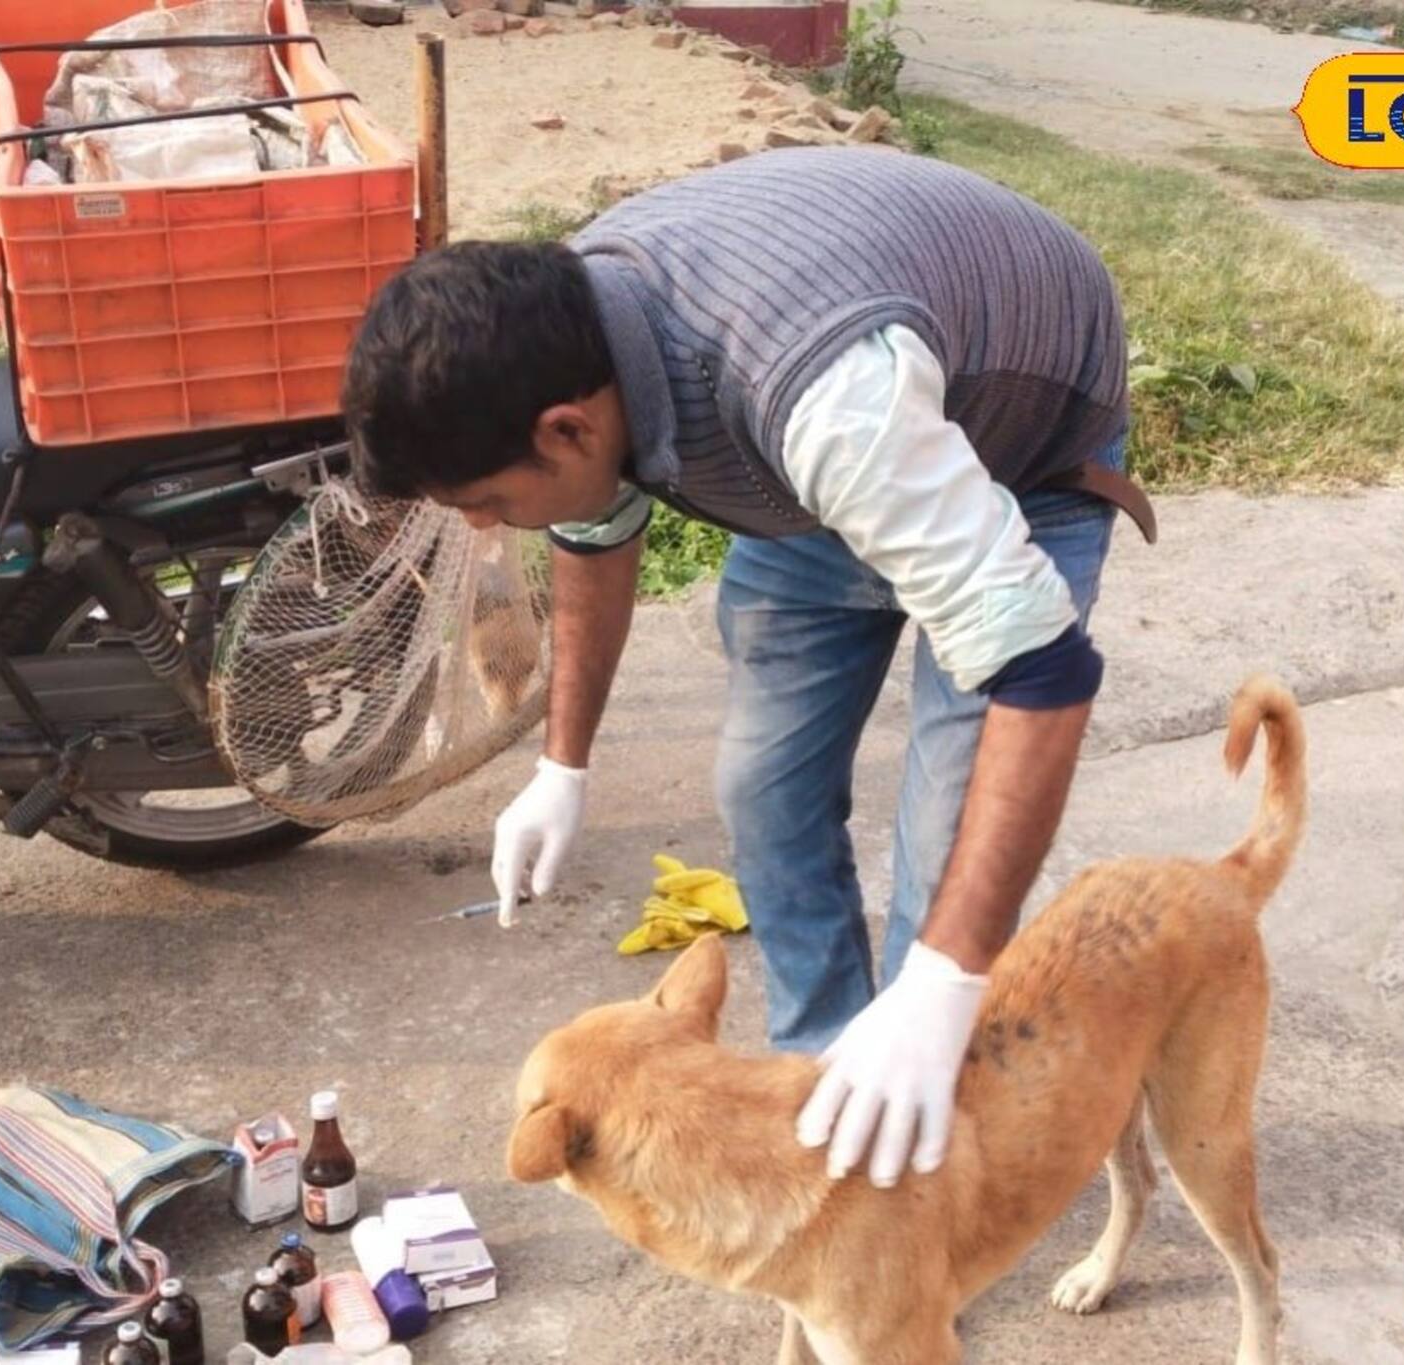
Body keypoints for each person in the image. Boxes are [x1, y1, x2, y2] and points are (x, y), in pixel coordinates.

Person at [343, 147, 1152, 1191]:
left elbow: (1043, 677)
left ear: (567, 428)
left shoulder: (824, 406)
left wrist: (944, 983)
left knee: (943, 839)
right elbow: (594, 524)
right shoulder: (573, 339)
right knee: (762, 788)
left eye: (489, 503)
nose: (490, 528)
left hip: (1017, 445)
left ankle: (924, 1131)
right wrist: (563, 767)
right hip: (810, 453)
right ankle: (828, 1071)